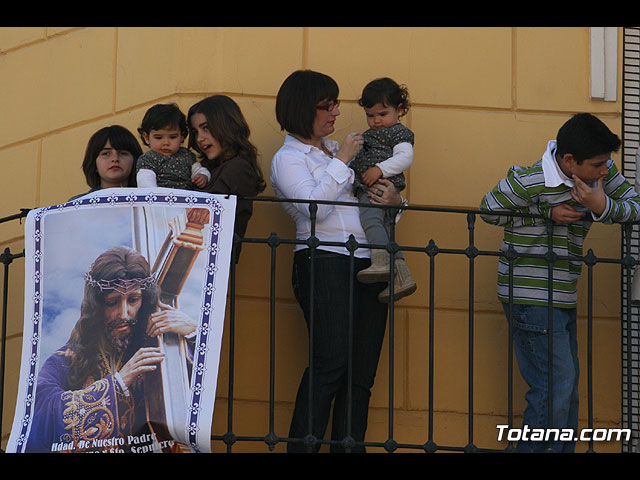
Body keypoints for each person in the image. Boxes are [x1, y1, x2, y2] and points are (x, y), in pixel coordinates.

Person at [479, 113, 640, 453]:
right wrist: (543, 214)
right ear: (569, 161)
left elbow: (636, 207)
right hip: (529, 296)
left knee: (565, 389)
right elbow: (488, 209)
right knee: (553, 387)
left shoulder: (601, 176)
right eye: (597, 164)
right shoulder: (529, 179)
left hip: (563, 295)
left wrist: (602, 205)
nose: (604, 170)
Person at [270, 70, 405, 453]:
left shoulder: (338, 148)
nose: (335, 112)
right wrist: (343, 159)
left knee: (361, 376)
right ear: (302, 109)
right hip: (324, 258)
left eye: (335, 104)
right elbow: (313, 209)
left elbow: (376, 208)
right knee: (329, 364)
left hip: (372, 262)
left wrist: (396, 204)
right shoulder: (289, 158)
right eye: (326, 105)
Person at [25, 246, 198, 453]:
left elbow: (195, 394)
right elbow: (41, 415)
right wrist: (117, 384)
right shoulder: (66, 360)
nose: (124, 313)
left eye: (133, 300)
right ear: (97, 307)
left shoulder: (158, 346)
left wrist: (194, 335)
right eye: (113, 302)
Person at [350, 77, 416, 302]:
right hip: (377, 187)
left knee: (371, 220)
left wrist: (379, 169)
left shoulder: (398, 133)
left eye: (382, 114)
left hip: (380, 187)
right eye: (370, 115)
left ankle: (380, 262)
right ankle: (402, 276)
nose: (376, 120)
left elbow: (405, 158)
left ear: (399, 110)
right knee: (387, 230)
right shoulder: (371, 135)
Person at [187, 95, 266, 262]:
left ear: (227, 126)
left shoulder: (238, 167)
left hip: (211, 264)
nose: (199, 139)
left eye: (206, 128)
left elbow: (204, 216)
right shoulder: (212, 168)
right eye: (195, 132)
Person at [136, 103, 210, 190]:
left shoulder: (187, 156)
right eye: (159, 137)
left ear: (182, 136)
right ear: (146, 137)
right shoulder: (147, 159)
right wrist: (154, 196)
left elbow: (199, 170)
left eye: (173, 137)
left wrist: (203, 176)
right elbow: (146, 184)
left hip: (186, 199)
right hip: (160, 199)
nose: (166, 143)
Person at [69, 125, 143, 201]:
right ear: (94, 163)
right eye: (106, 153)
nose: (115, 159)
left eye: (123, 153)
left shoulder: (148, 199)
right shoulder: (78, 204)